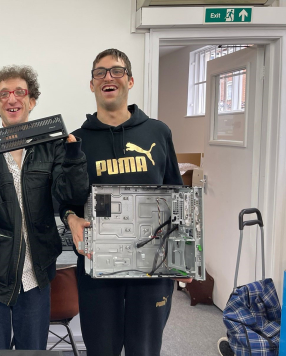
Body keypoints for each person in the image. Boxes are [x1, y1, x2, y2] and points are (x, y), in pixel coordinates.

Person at [61, 49, 185, 356]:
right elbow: (65, 199)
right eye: (100, 72)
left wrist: (184, 255)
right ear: (92, 85)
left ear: (129, 80)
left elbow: (177, 195)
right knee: (101, 348)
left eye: (116, 71)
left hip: (152, 266)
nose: (108, 77)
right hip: (98, 264)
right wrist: (70, 217)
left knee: (144, 349)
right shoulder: (76, 141)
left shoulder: (158, 131)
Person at [0, 65, 89, 350]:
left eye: (20, 92)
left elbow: (71, 195)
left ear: (32, 101)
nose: (12, 98)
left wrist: (74, 157)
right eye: (3, 94)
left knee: (33, 350)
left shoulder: (50, 148)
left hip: (36, 275)